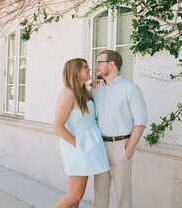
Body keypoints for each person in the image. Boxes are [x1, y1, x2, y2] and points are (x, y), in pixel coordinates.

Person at [92, 50, 148, 208]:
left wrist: (128, 150)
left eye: (100, 62)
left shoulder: (131, 89)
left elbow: (140, 121)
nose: (96, 66)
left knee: (123, 195)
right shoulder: (96, 89)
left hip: (121, 146)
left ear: (111, 64)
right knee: (100, 193)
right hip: (100, 146)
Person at [53, 58, 110, 208]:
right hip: (78, 146)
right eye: (85, 67)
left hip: (89, 145)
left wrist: (95, 86)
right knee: (75, 194)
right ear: (76, 73)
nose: (89, 69)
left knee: (77, 197)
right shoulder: (68, 93)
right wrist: (78, 145)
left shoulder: (83, 90)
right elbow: (58, 126)